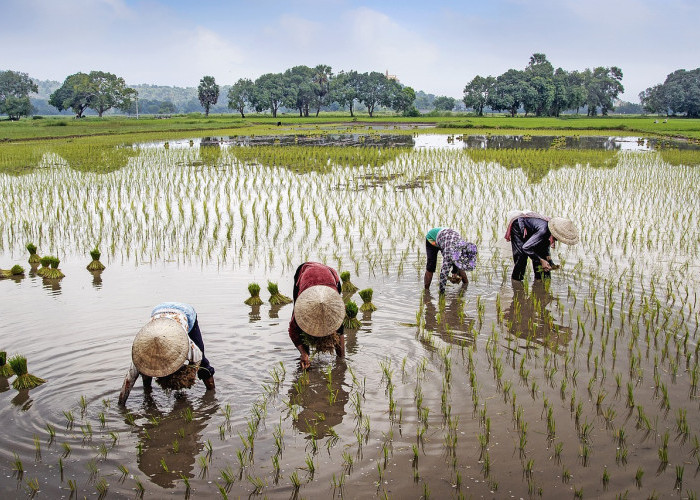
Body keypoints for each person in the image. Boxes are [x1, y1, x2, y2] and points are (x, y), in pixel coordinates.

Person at [118, 302, 215, 405]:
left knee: (204, 365)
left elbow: (197, 363)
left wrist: (185, 378)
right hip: (158, 312)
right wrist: (121, 404)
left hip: (185, 312)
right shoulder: (140, 356)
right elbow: (128, 382)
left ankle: (212, 395)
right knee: (145, 371)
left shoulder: (189, 347)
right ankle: (147, 394)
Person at [289, 262, 346, 370]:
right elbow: (293, 331)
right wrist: (304, 353)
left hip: (329, 275)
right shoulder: (302, 308)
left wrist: (341, 361)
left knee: (337, 324)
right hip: (306, 273)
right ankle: (306, 357)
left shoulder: (335, 309)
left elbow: (340, 330)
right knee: (299, 324)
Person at [505, 210, 579, 282]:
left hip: (533, 230)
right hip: (519, 225)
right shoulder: (544, 230)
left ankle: (540, 281)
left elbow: (545, 249)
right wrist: (541, 260)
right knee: (521, 258)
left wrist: (550, 262)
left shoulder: (548, 232)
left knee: (542, 258)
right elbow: (526, 247)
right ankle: (516, 282)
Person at [423, 227, 478, 294]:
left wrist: (455, 272)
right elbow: (443, 274)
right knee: (431, 266)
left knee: (460, 264)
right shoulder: (449, 253)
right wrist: (442, 295)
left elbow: (458, 262)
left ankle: (465, 286)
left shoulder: (464, 246)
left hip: (446, 240)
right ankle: (426, 292)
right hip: (432, 239)